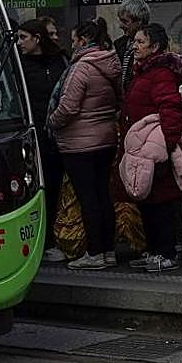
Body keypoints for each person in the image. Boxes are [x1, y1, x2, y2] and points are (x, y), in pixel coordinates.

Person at [116, 23, 182, 272]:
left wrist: (165, 145)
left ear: (154, 46)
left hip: (153, 149)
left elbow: (170, 109)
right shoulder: (142, 71)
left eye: (140, 42)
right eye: (134, 41)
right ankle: (154, 250)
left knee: (160, 202)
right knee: (145, 199)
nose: (134, 46)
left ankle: (166, 252)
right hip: (140, 148)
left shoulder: (160, 73)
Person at [48, 18, 120, 271]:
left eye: (74, 39)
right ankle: (108, 250)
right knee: (102, 195)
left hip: (80, 143)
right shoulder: (110, 62)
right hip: (105, 138)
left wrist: (52, 121)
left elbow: (68, 107)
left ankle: (95, 252)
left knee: (88, 198)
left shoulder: (81, 67)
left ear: (82, 41)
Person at [17, 19, 70, 263]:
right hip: (34, 134)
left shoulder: (60, 61)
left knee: (57, 187)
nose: (20, 43)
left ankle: (59, 237)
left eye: (23, 38)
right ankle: (44, 240)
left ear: (37, 39)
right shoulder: (19, 65)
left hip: (58, 134)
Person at [114, 0, 151, 91]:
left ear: (139, 22)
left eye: (125, 21)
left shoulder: (151, 45)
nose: (121, 26)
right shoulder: (119, 44)